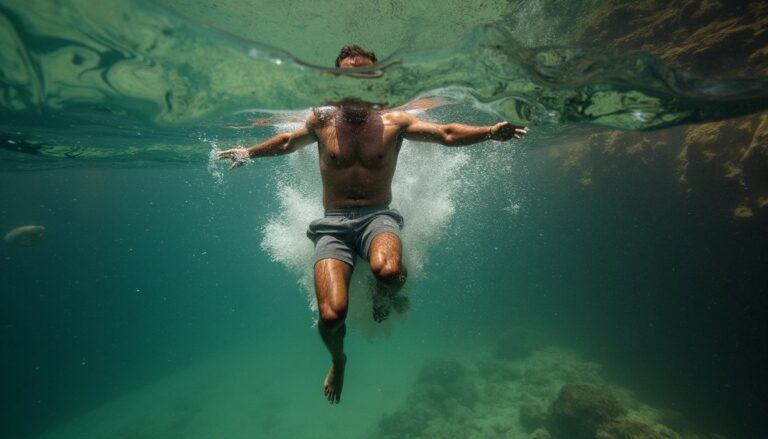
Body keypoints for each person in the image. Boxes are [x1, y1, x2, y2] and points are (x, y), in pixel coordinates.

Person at [217, 44, 528, 404]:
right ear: (337, 78)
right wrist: (248, 153)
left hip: (378, 216)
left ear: (375, 78)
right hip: (332, 225)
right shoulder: (322, 120)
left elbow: (445, 133)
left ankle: (384, 297)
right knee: (332, 315)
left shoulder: (394, 120)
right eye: (350, 74)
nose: (358, 81)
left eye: (365, 74)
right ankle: (338, 359)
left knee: (389, 271)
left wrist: (490, 131)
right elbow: (287, 140)